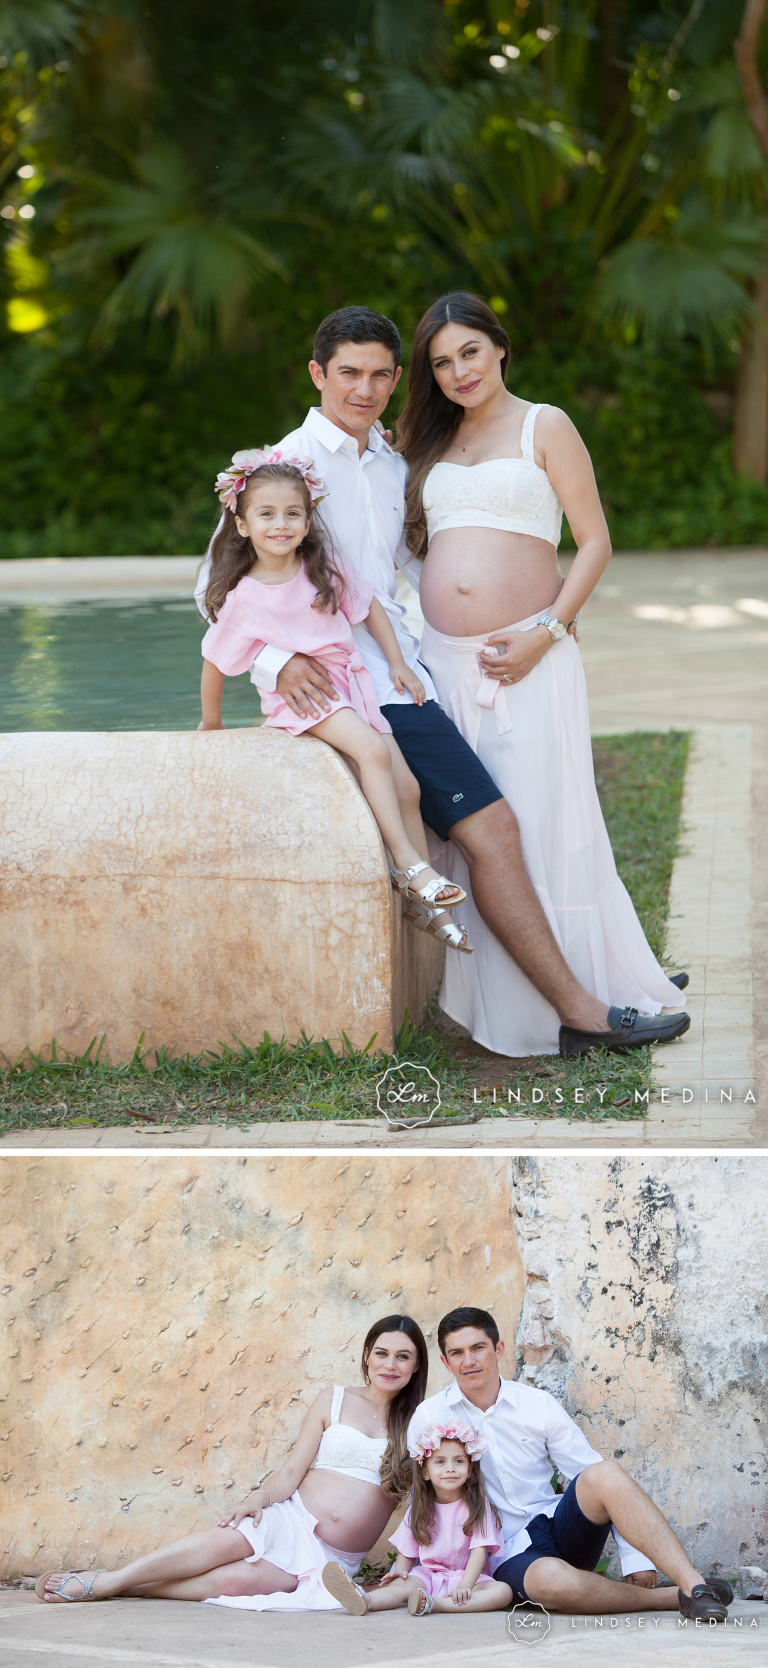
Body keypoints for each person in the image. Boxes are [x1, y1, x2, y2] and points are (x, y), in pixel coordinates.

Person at [195, 304, 689, 1057]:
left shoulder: (396, 461)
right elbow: (213, 587)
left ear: (397, 379)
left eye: (380, 374)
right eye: (348, 373)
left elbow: (411, 569)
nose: (364, 389)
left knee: (518, 824)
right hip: (359, 690)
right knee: (494, 828)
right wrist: (275, 662)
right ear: (317, 374)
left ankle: (595, 983)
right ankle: (582, 1014)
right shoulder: (288, 463)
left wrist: (543, 611)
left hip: (418, 673)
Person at [396, 290, 690, 1057]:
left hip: (529, 658)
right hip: (444, 666)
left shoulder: (544, 424)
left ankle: (594, 986)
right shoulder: (429, 444)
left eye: (469, 351)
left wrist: (549, 629)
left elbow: (593, 542)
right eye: (441, 362)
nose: (459, 371)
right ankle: (522, 998)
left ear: (499, 347)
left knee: (545, 821)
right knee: (479, 838)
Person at [198, 451, 471, 953]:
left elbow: (371, 612)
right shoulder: (243, 596)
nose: (280, 524)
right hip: (309, 699)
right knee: (369, 752)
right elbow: (214, 660)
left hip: (354, 687)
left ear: (307, 520)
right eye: (266, 514)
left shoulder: (320, 569)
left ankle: (424, 908)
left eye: (292, 513)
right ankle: (411, 866)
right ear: (240, 524)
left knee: (407, 787)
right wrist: (210, 722)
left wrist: (397, 663)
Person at [36, 1315, 428, 1611]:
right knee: (226, 1539)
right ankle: (106, 1583)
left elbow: (424, 1500)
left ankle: (121, 1587)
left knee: (238, 1581)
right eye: (382, 1353)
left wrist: (410, 1560)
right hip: (291, 1518)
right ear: (366, 1355)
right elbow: (293, 1470)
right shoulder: (335, 1399)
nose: (390, 1364)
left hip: (333, 1556)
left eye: (402, 1357)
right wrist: (259, 1498)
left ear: (414, 1367)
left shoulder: (419, 1424)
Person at [408, 1306, 733, 1623]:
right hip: (507, 1550)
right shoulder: (430, 1416)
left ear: (499, 1349)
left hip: (557, 1524)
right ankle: (671, 1598)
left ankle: (694, 1585)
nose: (469, 1361)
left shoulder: (537, 1404)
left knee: (603, 1473)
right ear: (445, 1361)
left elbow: (587, 1471)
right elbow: (421, 1499)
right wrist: (411, 1570)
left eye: (478, 1348)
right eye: (457, 1353)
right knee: (556, 1584)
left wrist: (635, 1557)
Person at [323, 1421, 512, 1616]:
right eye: (440, 1462)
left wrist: (464, 1586)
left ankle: (435, 1604)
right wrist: (402, 1572)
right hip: (427, 1576)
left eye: (459, 1461)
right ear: (425, 1472)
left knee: (502, 1592)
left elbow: (478, 1552)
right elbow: (407, 1549)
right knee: (399, 1587)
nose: (450, 1468)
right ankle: (364, 1599)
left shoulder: (478, 1505)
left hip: (470, 1578)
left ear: (470, 1469)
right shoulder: (419, 1507)